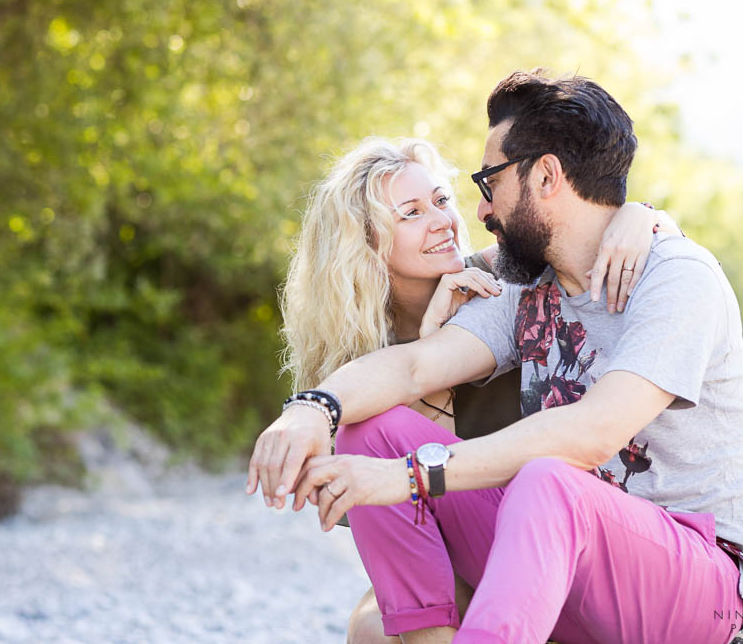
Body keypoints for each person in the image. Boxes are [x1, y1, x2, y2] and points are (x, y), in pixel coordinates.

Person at [247, 71, 743, 644]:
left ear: (545, 175)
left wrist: (409, 476)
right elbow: (411, 368)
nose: (477, 210)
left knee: (549, 477)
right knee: (371, 428)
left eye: (488, 181)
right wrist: (313, 407)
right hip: (553, 561)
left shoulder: (676, 278)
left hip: (697, 585)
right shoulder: (518, 286)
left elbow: (592, 433)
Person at [273, 135, 679, 643]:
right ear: (367, 241)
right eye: (412, 212)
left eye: (442, 201)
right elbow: (402, 540)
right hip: (458, 556)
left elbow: (594, 235)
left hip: (553, 535)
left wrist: (640, 216)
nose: (443, 220)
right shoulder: (355, 370)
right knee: (372, 630)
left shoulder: (501, 278)